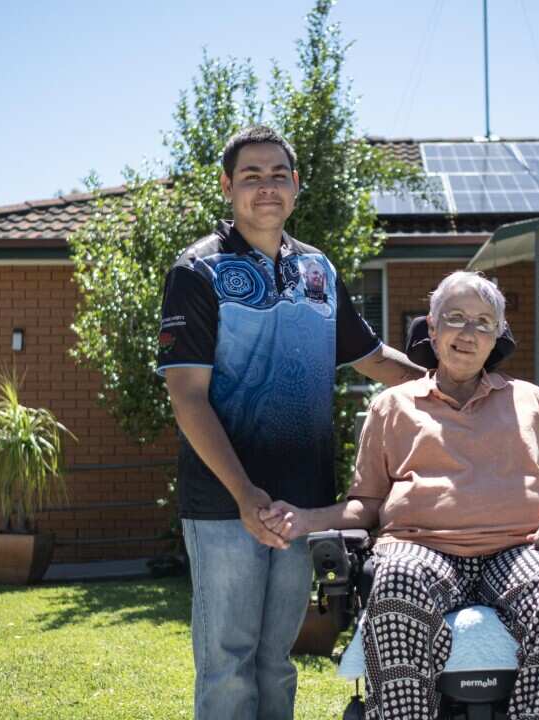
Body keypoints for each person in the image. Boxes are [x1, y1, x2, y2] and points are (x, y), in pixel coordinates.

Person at [157, 125, 424, 720]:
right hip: (226, 505)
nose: (266, 187)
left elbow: (374, 358)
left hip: (302, 505)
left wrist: (452, 386)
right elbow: (188, 399)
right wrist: (246, 494)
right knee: (227, 664)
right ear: (228, 187)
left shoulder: (318, 272)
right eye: (251, 176)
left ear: (297, 186)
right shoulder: (197, 272)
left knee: (277, 660)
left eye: (278, 174)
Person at [262, 270, 539, 720]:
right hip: (419, 548)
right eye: (456, 318)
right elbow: (367, 505)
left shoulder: (530, 400)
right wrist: (306, 520)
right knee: (396, 581)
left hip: (518, 549)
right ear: (433, 326)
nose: (469, 333)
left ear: (498, 334)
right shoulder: (392, 406)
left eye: (483, 322)